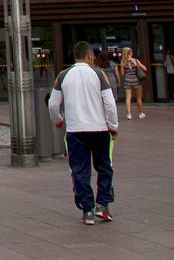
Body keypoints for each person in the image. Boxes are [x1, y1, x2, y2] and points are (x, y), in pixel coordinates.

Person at [48, 41, 118, 225]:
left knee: (79, 170)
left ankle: (87, 209)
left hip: (75, 130)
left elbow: (53, 104)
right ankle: (102, 205)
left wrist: (58, 120)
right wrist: (113, 126)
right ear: (89, 56)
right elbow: (110, 104)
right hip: (100, 129)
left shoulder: (63, 75)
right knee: (104, 166)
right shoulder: (99, 74)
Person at [119, 46, 147, 120]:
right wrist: (136, 65)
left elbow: (122, 74)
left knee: (128, 98)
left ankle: (129, 114)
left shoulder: (123, 62)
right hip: (136, 80)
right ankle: (140, 113)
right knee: (138, 97)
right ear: (130, 53)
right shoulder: (135, 60)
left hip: (127, 81)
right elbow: (145, 68)